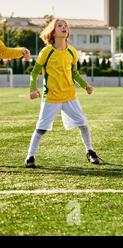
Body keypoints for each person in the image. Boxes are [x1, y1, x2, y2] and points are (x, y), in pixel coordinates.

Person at [24, 19, 99, 168]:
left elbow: (75, 74)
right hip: (50, 97)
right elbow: (35, 72)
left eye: (65, 25)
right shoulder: (46, 51)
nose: (64, 27)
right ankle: (30, 157)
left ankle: (90, 151)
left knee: (83, 124)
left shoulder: (72, 51)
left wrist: (86, 86)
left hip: (69, 96)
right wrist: (33, 89)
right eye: (60, 25)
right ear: (53, 31)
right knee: (41, 128)